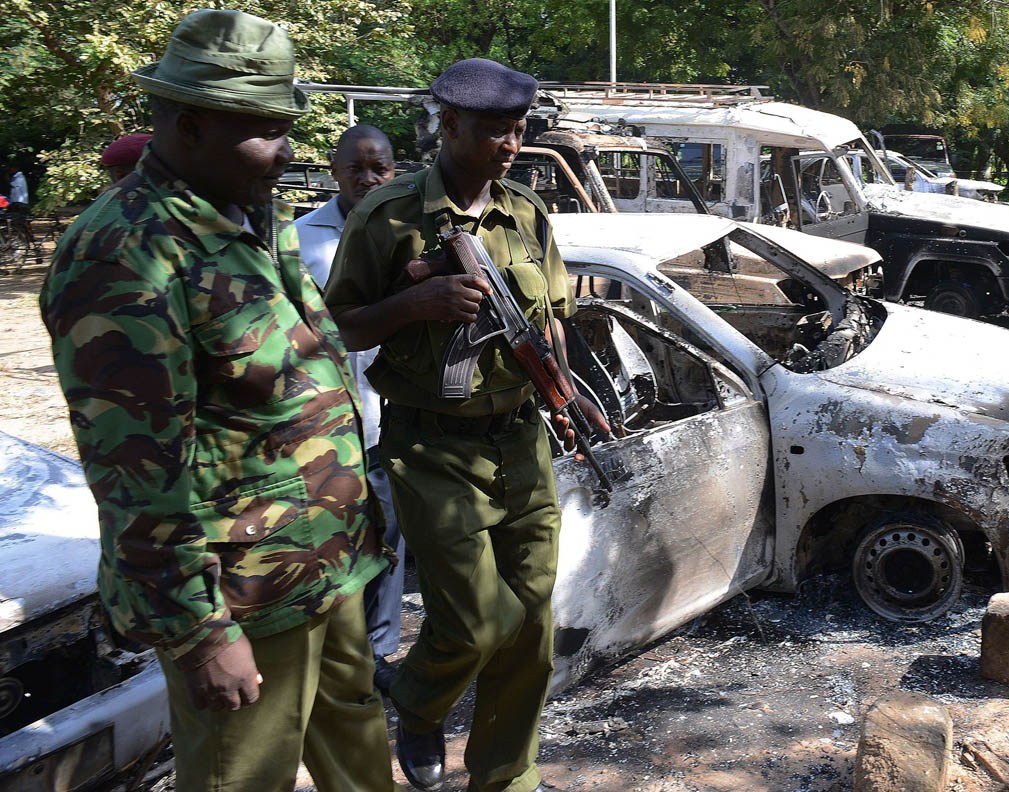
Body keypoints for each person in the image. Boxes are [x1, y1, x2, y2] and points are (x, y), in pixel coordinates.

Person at [39, 10, 396, 792]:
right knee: (241, 776)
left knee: (362, 759)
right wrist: (201, 634)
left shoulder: (252, 215)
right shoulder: (126, 252)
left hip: (323, 569)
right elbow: (134, 471)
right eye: (266, 129)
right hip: (244, 595)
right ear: (191, 125)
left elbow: (306, 371)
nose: (288, 149)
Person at [324, 58, 609, 792]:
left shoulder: (528, 214)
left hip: (521, 439)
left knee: (532, 632)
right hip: (431, 446)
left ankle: (505, 778)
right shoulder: (386, 217)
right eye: (492, 132)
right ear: (446, 124)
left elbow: (550, 322)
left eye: (517, 131)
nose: (509, 145)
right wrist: (413, 306)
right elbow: (338, 327)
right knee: (481, 622)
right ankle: (418, 703)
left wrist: (567, 393)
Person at [294, 124, 404, 689]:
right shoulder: (298, 240)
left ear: (393, 170)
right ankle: (333, 656)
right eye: (355, 168)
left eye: (378, 168)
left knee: (388, 539)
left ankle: (378, 654)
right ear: (335, 170)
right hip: (325, 427)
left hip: (393, 416)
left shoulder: (408, 232)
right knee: (331, 542)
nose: (367, 179)